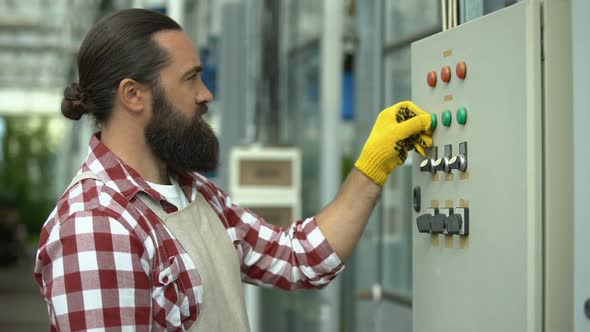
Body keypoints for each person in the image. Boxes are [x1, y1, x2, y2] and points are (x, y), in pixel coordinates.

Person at [33, 8, 433, 332]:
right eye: (191, 78)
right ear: (133, 95)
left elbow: (298, 258)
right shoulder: (96, 225)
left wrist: (373, 167)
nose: (206, 94)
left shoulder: (195, 192)